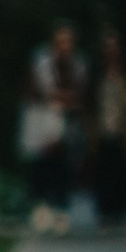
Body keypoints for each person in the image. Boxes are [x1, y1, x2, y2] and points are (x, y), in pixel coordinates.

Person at [21, 23, 87, 234]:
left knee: (64, 166)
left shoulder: (78, 63)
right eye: (61, 41)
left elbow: (81, 93)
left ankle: (61, 209)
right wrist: (59, 97)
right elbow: (35, 90)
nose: (64, 46)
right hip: (41, 120)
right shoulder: (41, 60)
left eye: (68, 41)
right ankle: (41, 207)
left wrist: (65, 99)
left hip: (66, 122)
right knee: (41, 164)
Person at [91, 29, 126, 229]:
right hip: (102, 127)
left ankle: (121, 210)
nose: (111, 51)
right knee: (104, 170)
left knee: (122, 171)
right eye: (107, 47)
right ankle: (105, 210)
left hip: (124, 128)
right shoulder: (97, 74)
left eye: (114, 47)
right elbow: (90, 101)